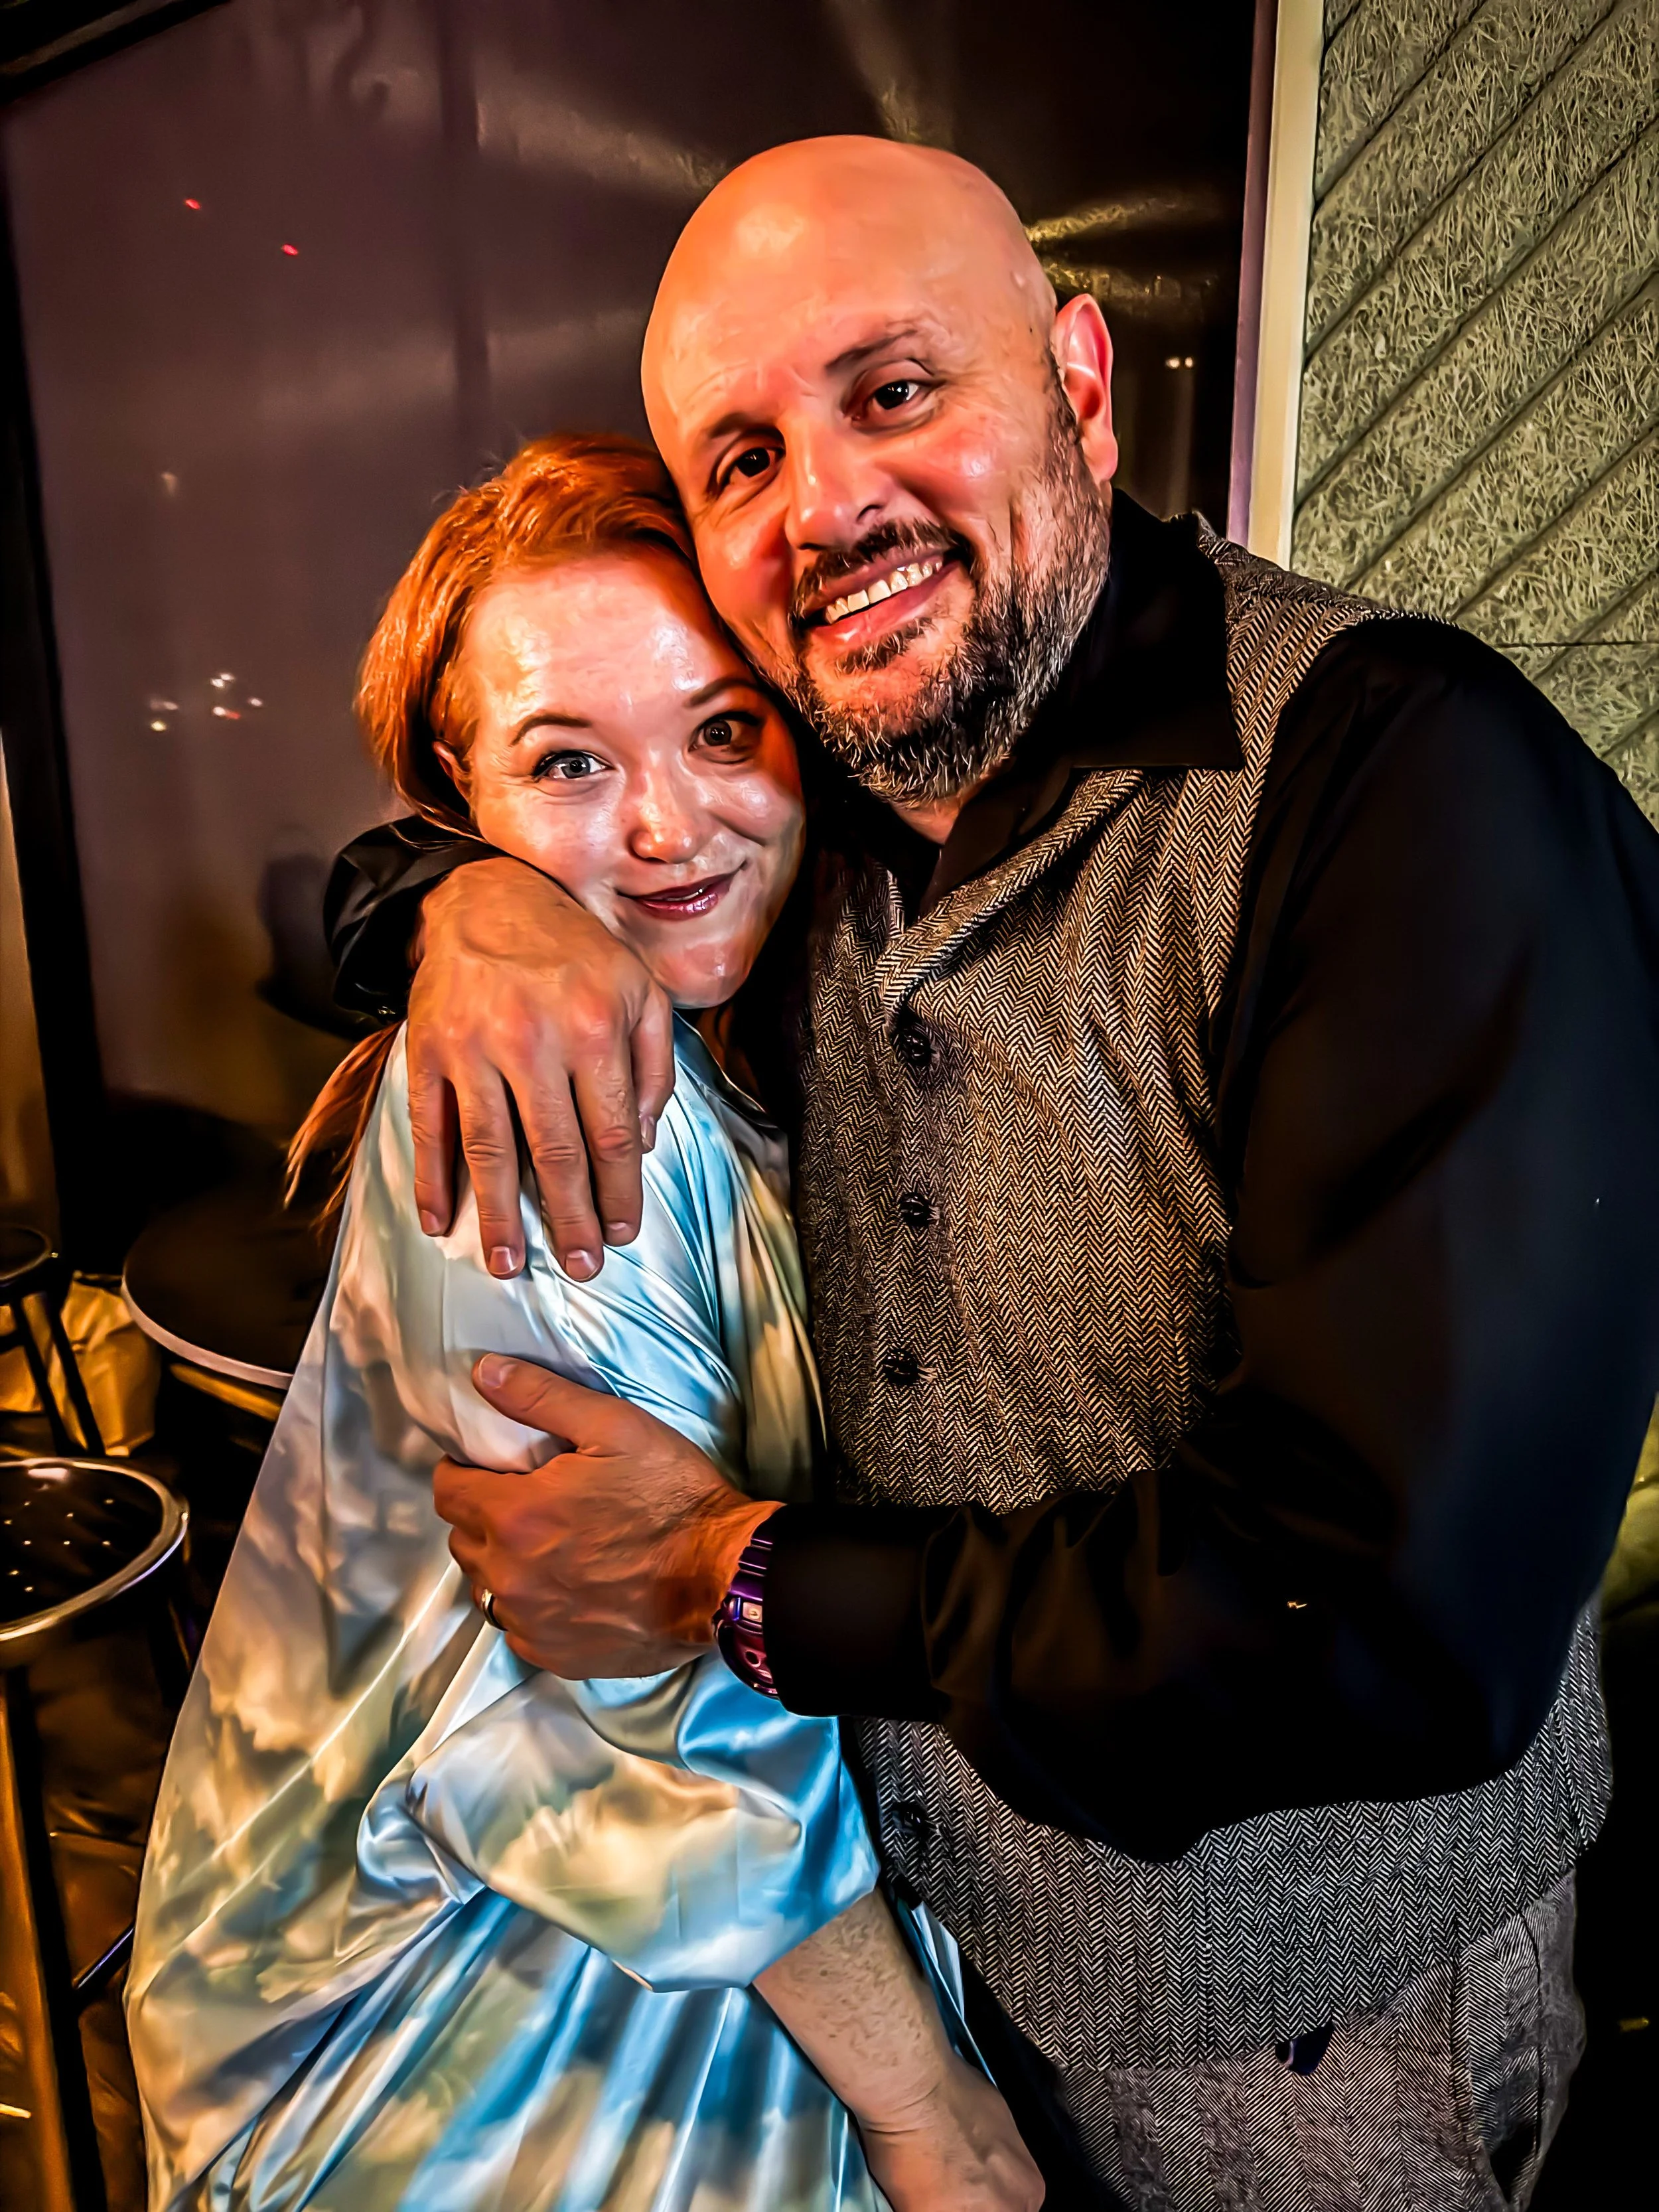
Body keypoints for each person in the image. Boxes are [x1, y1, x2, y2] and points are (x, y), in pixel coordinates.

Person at [326, 138, 1659, 2210]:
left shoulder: (1406, 784)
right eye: (742, 456)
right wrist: (454, 899)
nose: (828, 503)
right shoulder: (824, 798)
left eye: (892, 390)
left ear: (1078, 382)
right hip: (939, 1960)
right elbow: (550, 777)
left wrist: (732, 1575)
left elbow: (1396, 1617)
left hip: (1307, 2028)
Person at [125, 433, 1043, 2212]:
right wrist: (942, 2121)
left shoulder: (783, 1024)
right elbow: (644, 1698)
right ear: (456, 795)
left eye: (719, 729)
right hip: (447, 2025)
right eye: (566, 761)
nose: (659, 824)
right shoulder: (546, 1100)